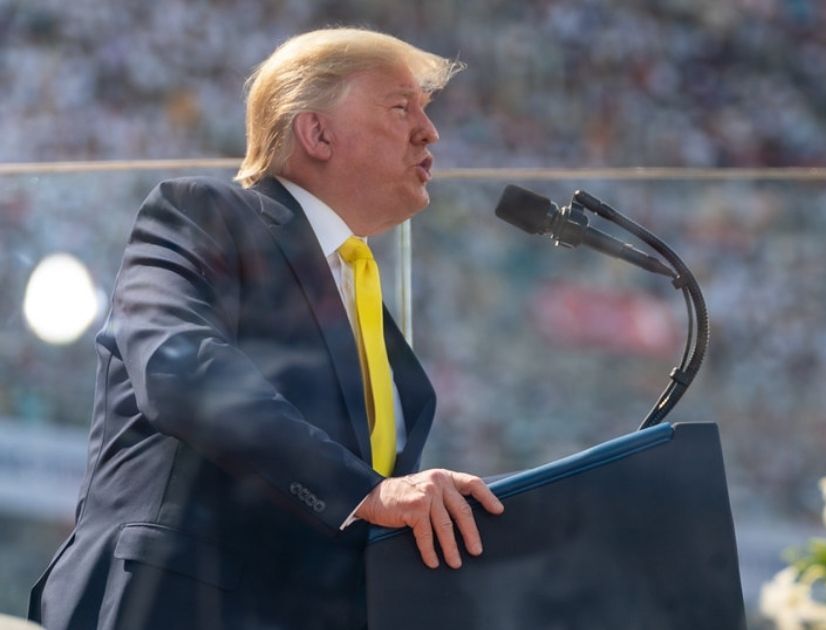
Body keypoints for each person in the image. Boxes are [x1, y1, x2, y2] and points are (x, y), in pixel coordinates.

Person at [28, 27, 504, 630]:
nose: (429, 131)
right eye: (400, 106)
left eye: (426, 112)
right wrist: (366, 491)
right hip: (174, 604)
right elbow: (180, 369)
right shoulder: (200, 214)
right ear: (317, 132)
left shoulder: (366, 305)